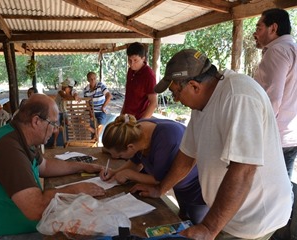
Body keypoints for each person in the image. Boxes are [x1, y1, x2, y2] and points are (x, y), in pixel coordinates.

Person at [130, 49, 292, 239]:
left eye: (175, 93)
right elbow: (187, 156)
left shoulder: (238, 96)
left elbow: (244, 169)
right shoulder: (201, 105)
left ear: (194, 86)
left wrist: (209, 228)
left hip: (255, 217)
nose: (176, 100)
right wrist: (160, 189)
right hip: (227, 214)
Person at [0, 94, 105, 239]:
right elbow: (36, 208)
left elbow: (45, 166)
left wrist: (83, 166)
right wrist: (76, 190)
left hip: (12, 225)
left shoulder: (19, 137)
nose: (56, 130)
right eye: (53, 124)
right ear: (36, 121)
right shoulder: (9, 148)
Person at [100, 114, 208, 224]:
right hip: (178, 186)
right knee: (182, 216)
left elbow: (161, 179)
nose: (116, 158)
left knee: (197, 223)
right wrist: (115, 172)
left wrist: (129, 174)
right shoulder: (133, 131)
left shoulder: (166, 140)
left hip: (197, 187)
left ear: (130, 147)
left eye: (120, 156)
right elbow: (135, 162)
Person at [253, 8, 297, 240]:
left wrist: (257, 133)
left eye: (259, 27)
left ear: (274, 28)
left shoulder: (278, 51)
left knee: (271, 194)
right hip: (289, 133)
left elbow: (273, 98)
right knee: (282, 189)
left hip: (275, 135)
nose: (256, 34)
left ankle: (272, 234)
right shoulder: (292, 48)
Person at [121, 42, 158, 120]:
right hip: (127, 117)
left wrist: (142, 122)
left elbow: (153, 103)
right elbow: (128, 96)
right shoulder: (130, 71)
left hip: (138, 119)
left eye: (135, 60)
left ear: (143, 58)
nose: (132, 64)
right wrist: (121, 115)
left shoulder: (148, 75)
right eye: (129, 60)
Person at [83, 71, 112, 138]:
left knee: (101, 124)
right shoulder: (86, 90)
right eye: (91, 79)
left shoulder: (100, 85)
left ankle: (96, 137)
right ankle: (94, 132)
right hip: (91, 110)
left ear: (96, 78)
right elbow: (87, 103)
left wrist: (103, 107)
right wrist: (90, 113)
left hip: (101, 111)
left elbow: (109, 96)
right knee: (81, 119)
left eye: (94, 78)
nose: (93, 80)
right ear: (88, 80)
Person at [53, 78, 80, 147]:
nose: (63, 86)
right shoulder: (60, 91)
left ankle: (71, 140)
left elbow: (75, 95)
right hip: (56, 110)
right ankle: (55, 143)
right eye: (63, 85)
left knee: (68, 122)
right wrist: (74, 97)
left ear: (69, 87)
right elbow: (66, 97)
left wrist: (76, 96)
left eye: (65, 86)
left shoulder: (73, 91)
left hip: (64, 110)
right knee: (57, 127)